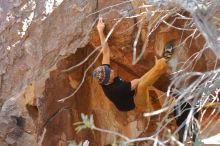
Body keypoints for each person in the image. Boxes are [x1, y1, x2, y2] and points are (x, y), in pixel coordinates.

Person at [92, 17, 174, 113]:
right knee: (142, 86)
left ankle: (160, 114)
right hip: (136, 103)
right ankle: (164, 62)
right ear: (108, 82)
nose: (112, 70)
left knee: (150, 94)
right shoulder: (116, 89)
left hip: (129, 95)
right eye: (110, 73)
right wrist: (156, 68)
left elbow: (106, 52)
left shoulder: (104, 74)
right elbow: (140, 81)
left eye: (109, 69)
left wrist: (100, 31)